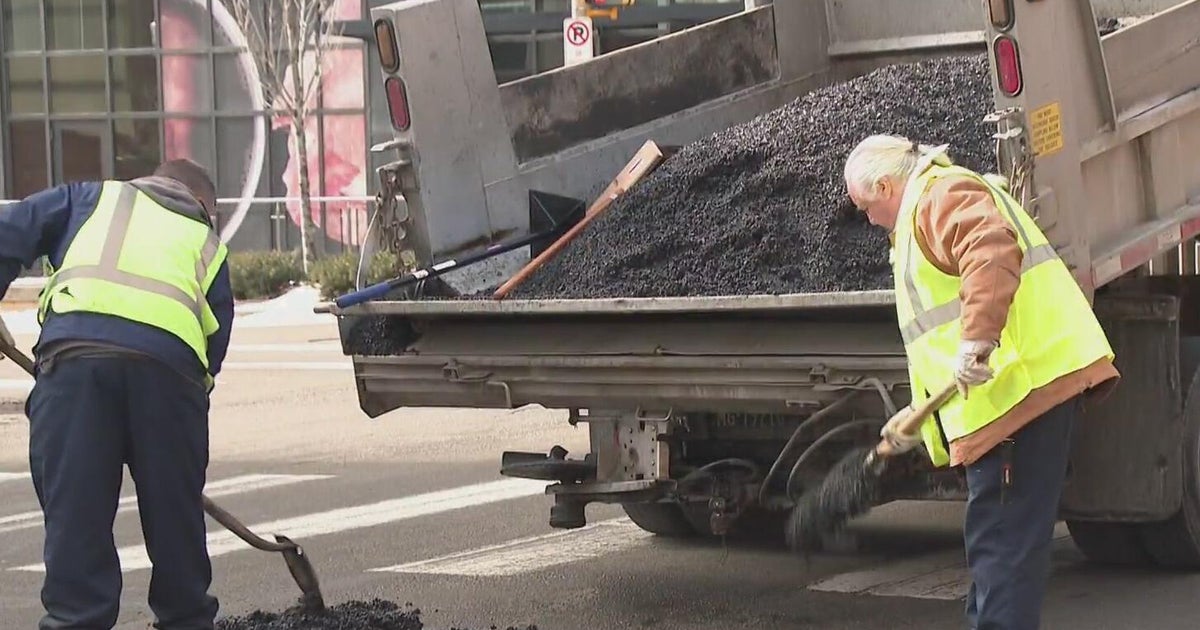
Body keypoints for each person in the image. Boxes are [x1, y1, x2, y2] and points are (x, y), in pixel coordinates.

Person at [842, 134, 1119, 630]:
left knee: (1003, 554)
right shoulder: (924, 210)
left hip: (1020, 394)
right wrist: (919, 414)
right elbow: (936, 336)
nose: (869, 220)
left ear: (884, 186)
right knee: (995, 549)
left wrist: (977, 341)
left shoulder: (940, 196)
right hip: (1005, 400)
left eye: (865, 208)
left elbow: (990, 250)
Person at [0, 159, 233, 629]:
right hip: (170, 379)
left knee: (76, 525)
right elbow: (213, 351)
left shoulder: (89, 198)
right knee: (176, 526)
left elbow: (9, 230)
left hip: (75, 370)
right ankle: (186, 618)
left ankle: (76, 620)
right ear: (203, 205)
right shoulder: (207, 244)